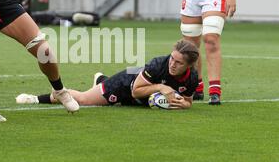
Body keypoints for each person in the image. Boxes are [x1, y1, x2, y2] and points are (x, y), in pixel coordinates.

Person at [16, 40, 199, 110]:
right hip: (125, 84)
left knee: (112, 97)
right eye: (172, 59)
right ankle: (35, 99)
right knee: (84, 99)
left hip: (137, 95)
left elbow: (188, 101)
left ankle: (101, 80)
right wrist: (161, 87)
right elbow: (136, 91)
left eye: (179, 62)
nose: (172, 64)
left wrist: (182, 104)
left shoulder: (192, 78)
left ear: (189, 66)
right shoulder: (158, 64)